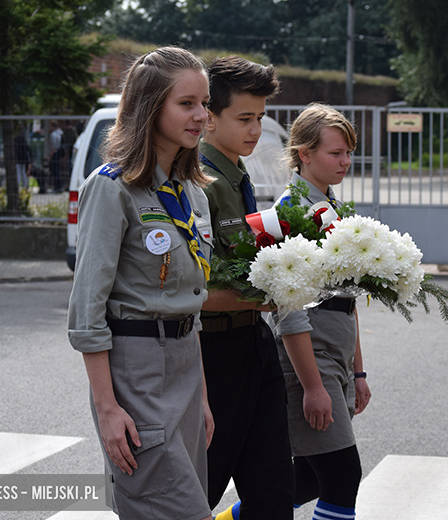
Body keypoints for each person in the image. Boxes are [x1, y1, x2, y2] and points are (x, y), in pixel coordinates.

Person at [67, 46, 215, 520]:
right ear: (151, 107)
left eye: (204, 102)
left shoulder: (192, 192)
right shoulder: (111, 188)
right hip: (136, 370)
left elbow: (189, 302)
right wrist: (107, 409)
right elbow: (88, 311)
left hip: (186, 366)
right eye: (186, 103)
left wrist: (203, 399)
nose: (201, 115)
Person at [198, 55, 294, 520]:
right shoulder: (200, 182)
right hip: (213, 352)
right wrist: (272, 294)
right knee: (203, 487)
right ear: (208, 116)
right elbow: (197, 285)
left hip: (255, 342)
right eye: (244, 118)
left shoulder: (238, 174)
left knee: (273, 489)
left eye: (260, 118)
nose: (256, 130)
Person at [268, 103, 372, 520]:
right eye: (336, 153)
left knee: (308, 480)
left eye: (349, 153)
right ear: (304, 153)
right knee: (343, 475)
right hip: (310, 362)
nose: (346, 162)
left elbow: (350, 300)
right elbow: (288, 309)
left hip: (337, 358)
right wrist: (313, 386)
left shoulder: (333, 208)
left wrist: (359, 371)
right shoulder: (290, 213)